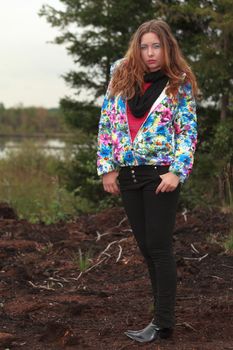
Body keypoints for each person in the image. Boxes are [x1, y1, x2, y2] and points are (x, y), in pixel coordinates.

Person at [97, 19, 197, 343]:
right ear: (136, 49)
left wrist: (177, 171)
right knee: (145, 248)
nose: (150, 53)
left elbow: (188, 132)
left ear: (166, 48)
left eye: (156, 46)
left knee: (158, 246)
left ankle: (163, 323)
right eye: (144, 46)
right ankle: (160, 319)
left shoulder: (177, 84)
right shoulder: (120, 76)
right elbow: (107, 123)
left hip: (160, 175)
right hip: (128, 175)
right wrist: (107, 167)